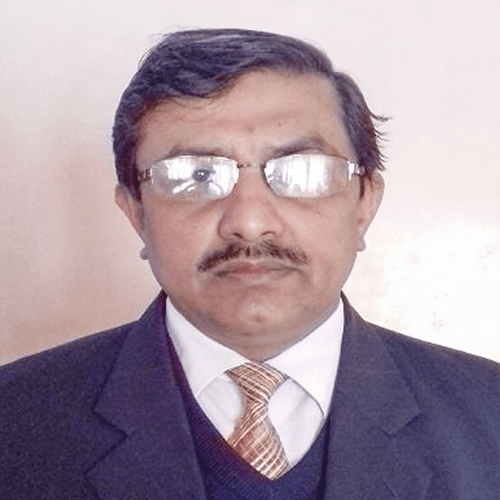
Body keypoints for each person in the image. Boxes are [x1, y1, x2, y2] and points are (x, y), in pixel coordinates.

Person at [1, 29, 499, 500]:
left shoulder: (489, 414)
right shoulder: (14, 421)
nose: (250, 223)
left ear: (364, 203)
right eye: (195, 176)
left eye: (302, 172)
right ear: (136, 214)